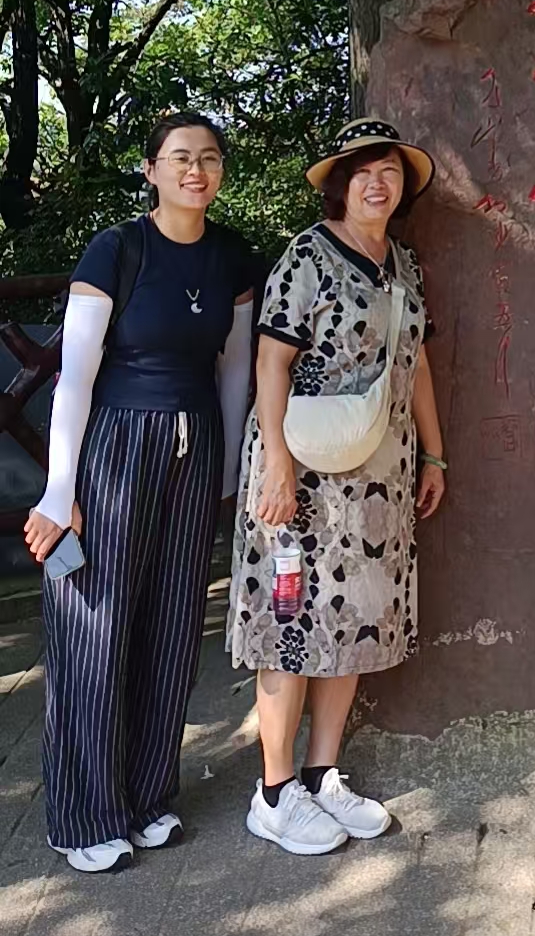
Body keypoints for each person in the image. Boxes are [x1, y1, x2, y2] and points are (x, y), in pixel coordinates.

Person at [24, 112, 256, 873]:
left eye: (210, 158)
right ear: (152, 170)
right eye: (180, 157)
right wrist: (60, 490)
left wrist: (227, 473)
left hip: (197, 447)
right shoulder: (117, 249)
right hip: (117, 445)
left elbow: (234, 368)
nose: (196, 170)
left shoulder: (232, 258)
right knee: (96, 627)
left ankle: (148, 797)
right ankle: (85, 815)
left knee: (174, 622)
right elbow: (74, 375)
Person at [228, 117, 446, 856]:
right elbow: (271, 363)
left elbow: (416, 364)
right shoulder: (307, 256)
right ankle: (274, 790)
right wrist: (277, 466)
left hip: (379, 475)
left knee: (351, 621)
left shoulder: (405, 266)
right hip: (303, 472)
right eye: (363, 172)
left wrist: (435, 456)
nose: (378, 184)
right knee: (289, 621)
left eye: (390, 172)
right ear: (340, 186)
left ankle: (323, 774)